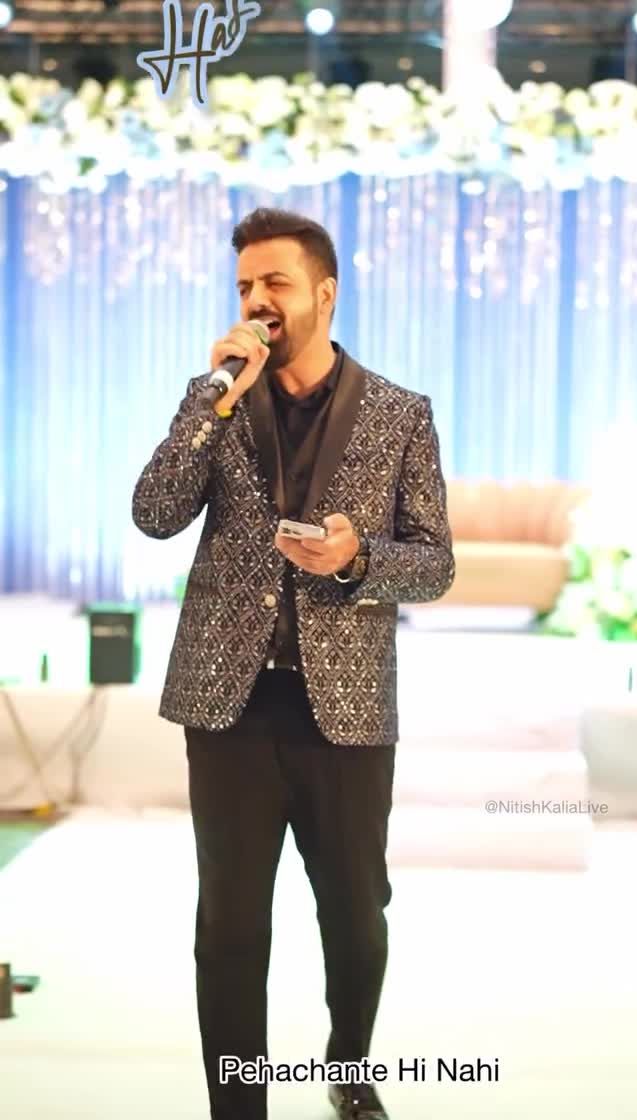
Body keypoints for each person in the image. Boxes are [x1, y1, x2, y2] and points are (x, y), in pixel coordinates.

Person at [132, 207, 455, 1120]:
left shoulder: (399, 413)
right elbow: (155, 513)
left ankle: (349, 1069)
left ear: (325, 291)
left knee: (355, 917)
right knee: (229, 927)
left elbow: (435, 563)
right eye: (244, 286)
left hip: (344, 711)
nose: (257, 301)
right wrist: (210, 399)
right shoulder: (218, 401)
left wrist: (357, 559)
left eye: (274, 282)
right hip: (227, 705)